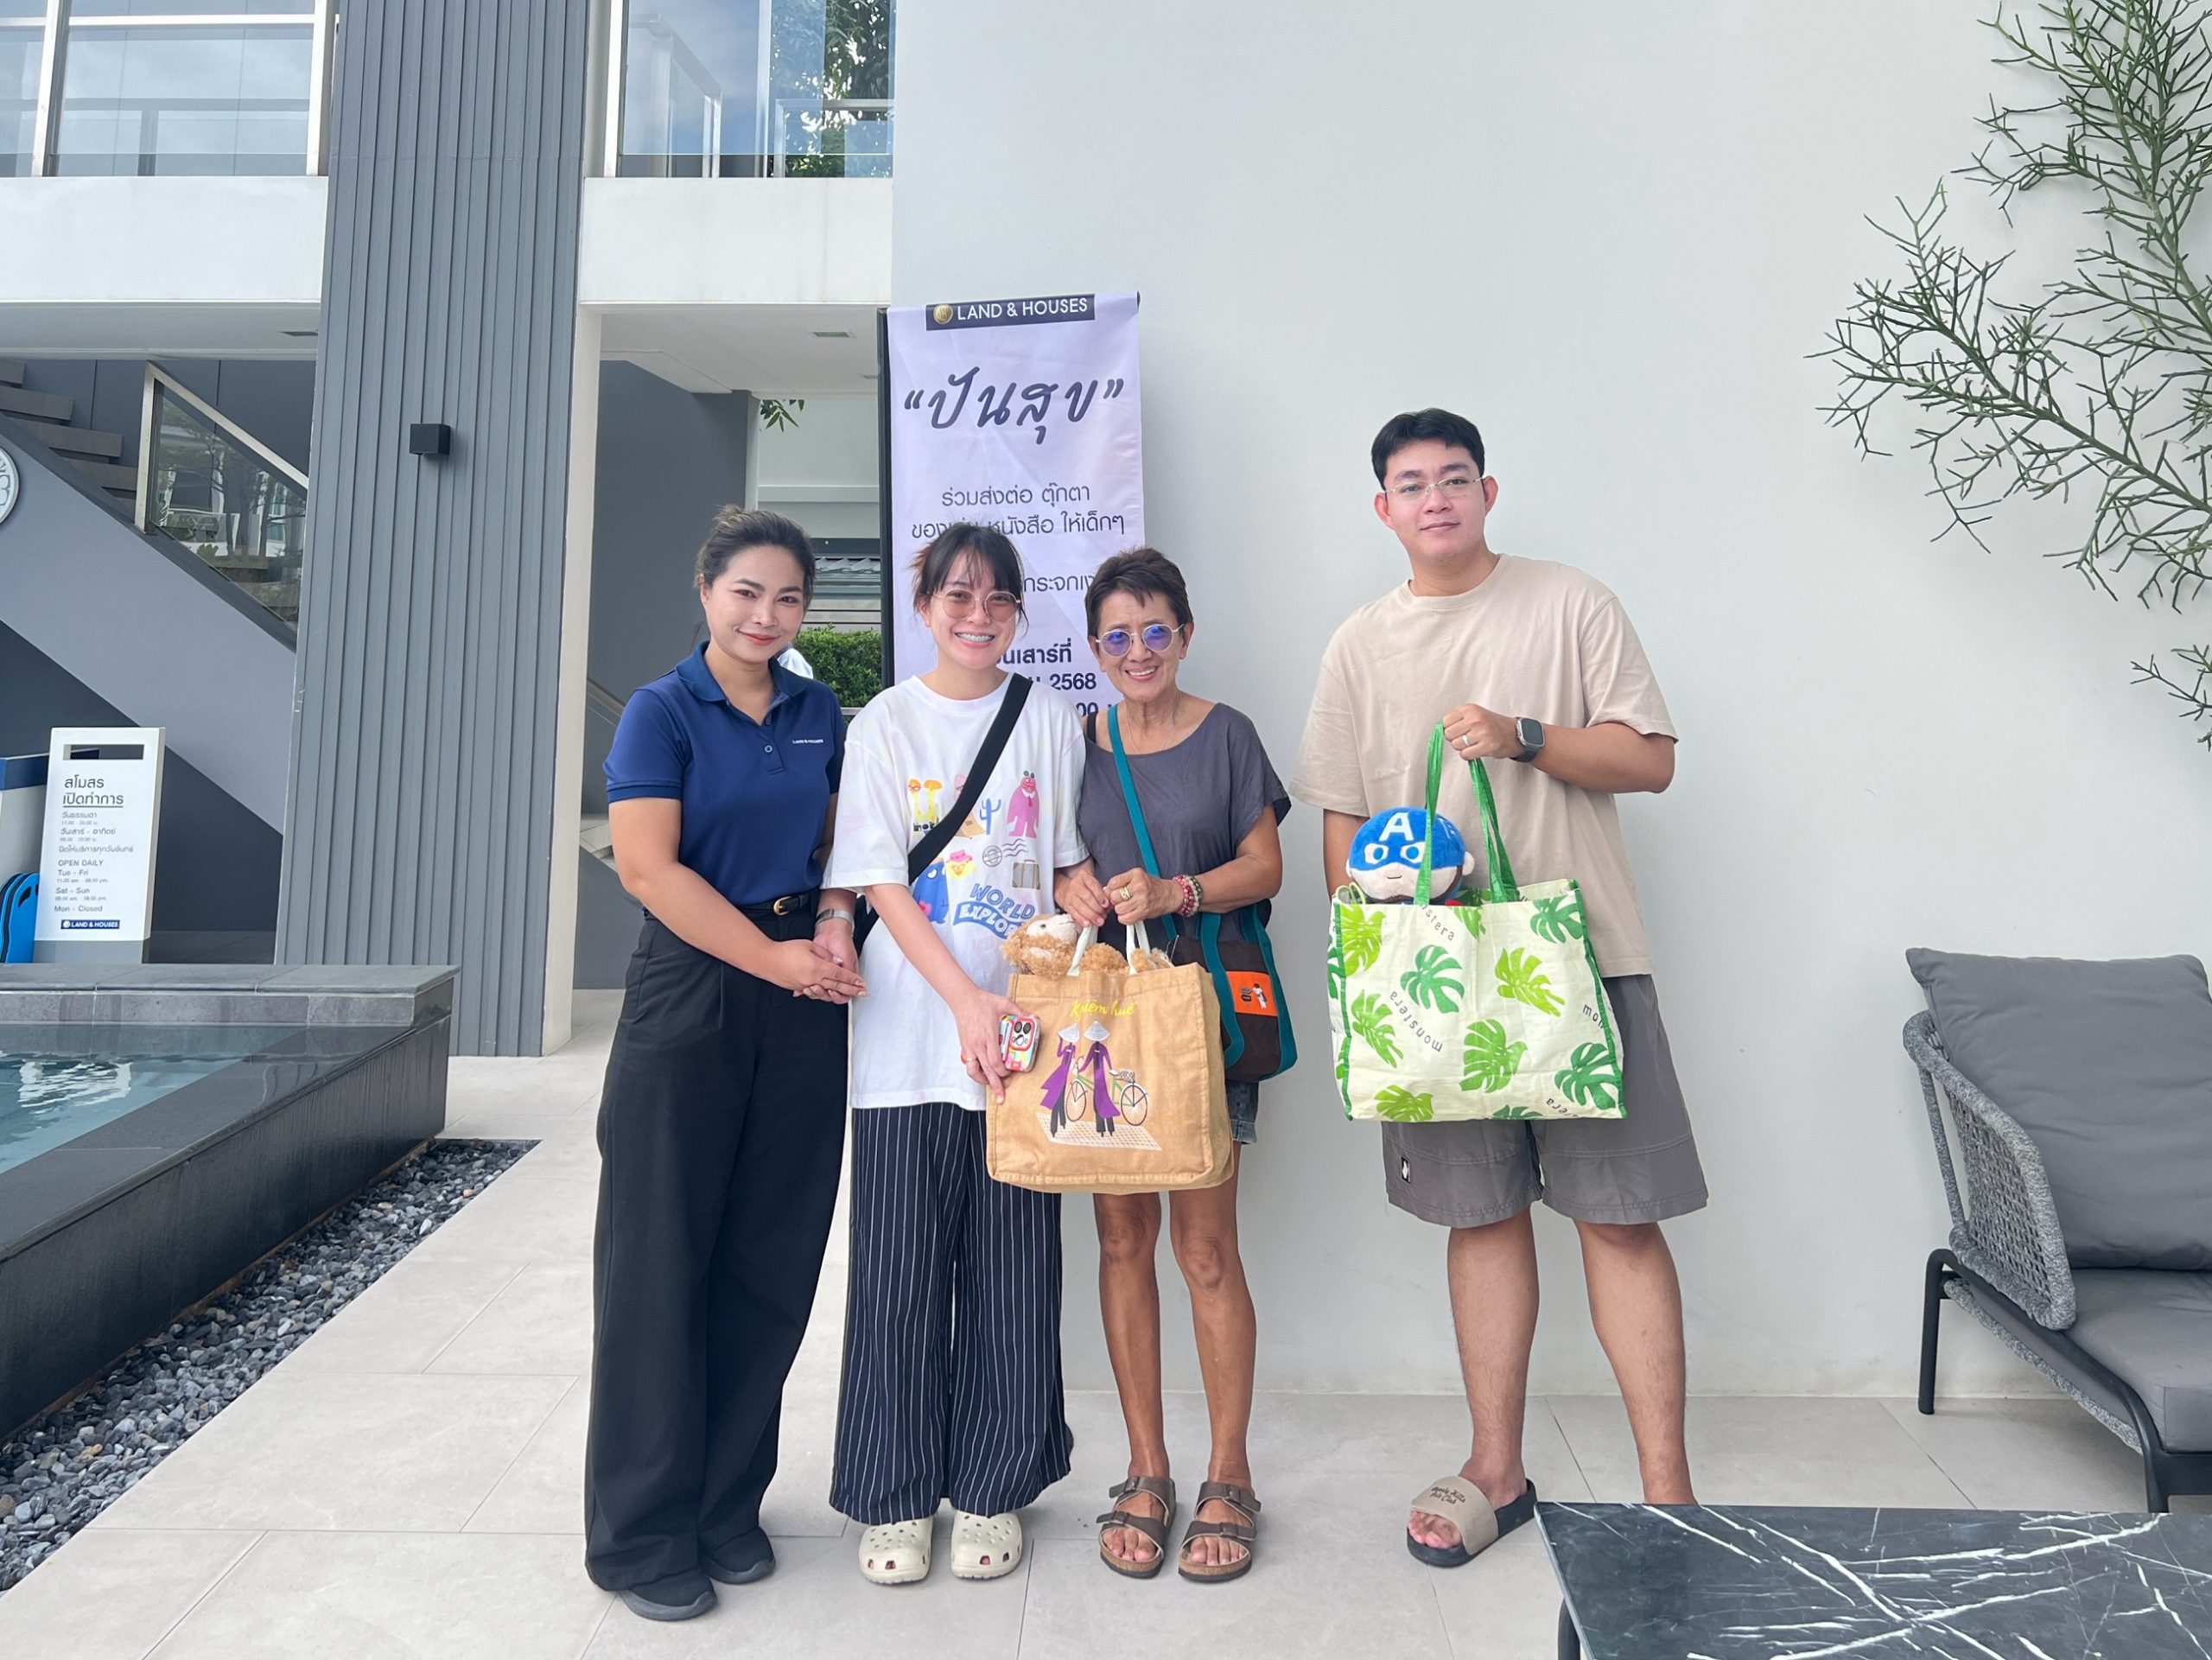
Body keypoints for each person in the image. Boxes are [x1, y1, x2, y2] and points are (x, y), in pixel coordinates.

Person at [1291, 409, 1707, 1568]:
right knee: (1478, 1217)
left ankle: (1670, 1497)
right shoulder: (1358, 644)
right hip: (1432, 980)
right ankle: (1496, 1469)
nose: (1435, 498)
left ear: (1487, 491)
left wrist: (1526, 735)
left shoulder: (1570, 603)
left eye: (1455, 477)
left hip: (1580, 955)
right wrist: (1380, 926)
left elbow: (1651, 759)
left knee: (1618, 1215)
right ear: (1383, 508)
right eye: (1412, 483)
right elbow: (1339, 822)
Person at [584, 507, 866, 1622]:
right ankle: (640, 1533)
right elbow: (649, 871)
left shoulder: (815, 709)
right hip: (694, 986)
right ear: (706, 591)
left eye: (788, 597)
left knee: (770, 1254)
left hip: (799, 992)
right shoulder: (661, 711)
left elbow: (839, 841)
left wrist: (832, 923)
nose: (766, 614)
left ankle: (724, 1505)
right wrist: (774, 959)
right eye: (747, 591)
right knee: (659, 1263)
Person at [826, 522, 1091, 1586]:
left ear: (1019, 612)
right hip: (906, 1038)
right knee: (895, 1278)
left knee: (1013, 1277)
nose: (978, 616)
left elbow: (1061, 863)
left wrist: (1073, 907)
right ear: (924, 604)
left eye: (998, 599)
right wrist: (963, 1003)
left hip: (1020, 1042)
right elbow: (881, 880)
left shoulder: (1051, 719)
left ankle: (994, 1484)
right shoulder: (885, 722)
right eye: (958, 597)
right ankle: (891, 1497)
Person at [1057, 547, 1290, 1584]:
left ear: (1185, 634)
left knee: (1204, 1249)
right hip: (1106, 1025)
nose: (1138, 649)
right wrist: (1070, 883)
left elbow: (1265, 866)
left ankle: (1228, 1472)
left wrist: (1175, 892)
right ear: (1094, 648)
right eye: (1118, 635)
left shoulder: (1227, 734)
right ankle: (1145, 1468)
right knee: (1121, 1241)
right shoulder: (1076, 742)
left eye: (1156, 629)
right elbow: (1048, 854)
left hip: (1201, 1021)